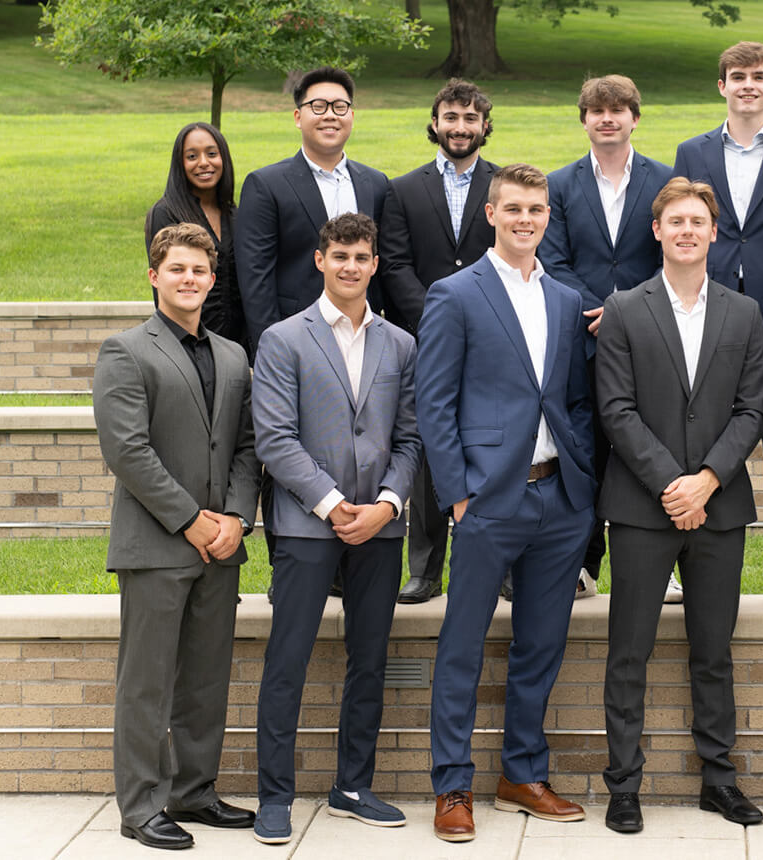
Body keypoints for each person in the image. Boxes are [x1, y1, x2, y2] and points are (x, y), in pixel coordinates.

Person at [416, 164, 597, 843]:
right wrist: (458, 494)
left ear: (549, 216)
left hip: (560, 499)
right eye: (514, 207)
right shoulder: (455, 294)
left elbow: (573, 398)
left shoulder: (565, 298)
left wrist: (580, 479)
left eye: (537, 209)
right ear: (490, 213)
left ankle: (521, 773)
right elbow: (433, 403)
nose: (527, 218)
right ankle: (452, 785)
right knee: (462, 645)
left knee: (541, 645)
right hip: (487, 499)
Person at [597, 178, 763, 834]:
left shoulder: (743, 313)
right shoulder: (625, 309)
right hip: (643, 508)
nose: (688, 231)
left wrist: (708, 480)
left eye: (699, 221)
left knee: (713, 650)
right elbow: (616, 408)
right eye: (676, 221)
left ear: (714, 232)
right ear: (658, 231)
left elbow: (753, 407)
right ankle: (623, 785)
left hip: (720, 510)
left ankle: (719, 781)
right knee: (628, 649)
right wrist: (675, 483)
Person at [249, 213, 420, 844]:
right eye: (339, 255)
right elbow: (274, 437)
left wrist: (386, 504)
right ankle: (275, 796)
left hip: (379, 525)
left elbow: (410, 438)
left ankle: (353, 786)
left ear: (376, 264)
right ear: (320, 260)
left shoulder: (400, 344)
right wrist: (328, 502)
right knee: (287, 662)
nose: (351, 266)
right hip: (305, 525)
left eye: (362, 257)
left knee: (369, 660)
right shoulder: (282, 339)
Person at [96, 223, 260, 850]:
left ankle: (193, 793)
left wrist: (236, 520)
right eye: (177, 269)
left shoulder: (232, 354)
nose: (189, 279)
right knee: (146, 682)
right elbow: (128, 452)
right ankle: (140, 807)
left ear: (212, 280)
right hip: (158, 544)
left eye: (200, 270)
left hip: (221, 546)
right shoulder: (125, 350)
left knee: (205, 678)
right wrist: (192, 521)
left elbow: (246, 448)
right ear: (154, 276)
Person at [672, 41, 763, 610]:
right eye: (738, 76)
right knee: (700, 443)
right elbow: (683, 228)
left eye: (759, 76)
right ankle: (687, 564)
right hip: (708, 320)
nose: (748, 85)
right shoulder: (693, 150)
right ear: (722, 86)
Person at [542, 74, 675, 603]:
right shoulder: (560, 184)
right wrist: (600, 310)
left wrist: (629, 312)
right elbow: (552, 260)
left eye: (618, 109)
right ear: (584, 120)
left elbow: (674, 251)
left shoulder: (665, 179)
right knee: (587, 451)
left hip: (649, 338)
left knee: (649, 447)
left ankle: (659, 567)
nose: (607, 118)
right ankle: (583, 564)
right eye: (597, 110)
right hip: (582, 336)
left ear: (635, 118)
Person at [378, 79, 500, 605]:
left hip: (495, 341)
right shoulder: (401, 191)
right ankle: (425, 570)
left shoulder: (504, 186)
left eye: (470, 119)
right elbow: (397, 266)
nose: (460, 127)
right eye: (451, 117)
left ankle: (500, 565)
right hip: (423, 341)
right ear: (435, 123)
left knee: (494, 447)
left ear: (485, 127)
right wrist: (442, 319)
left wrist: (477, 320)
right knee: (429, 452)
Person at [237, 66, 388, 360]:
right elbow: (255, 277)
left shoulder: (376, 184)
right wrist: (271, 349)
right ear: (298, 117)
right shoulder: (266, 185)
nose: (330, 115)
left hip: (363, 337)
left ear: (351, 117)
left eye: (340, 107)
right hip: (296, 340)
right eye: (317, 106)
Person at [145, 122, 247, 351]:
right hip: (188, 343)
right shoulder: (166, 213)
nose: (203, 163)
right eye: (192, 156)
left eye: (212, 154)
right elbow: (165, 285)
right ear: (180, 164)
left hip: (237, 345)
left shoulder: (234, 214)